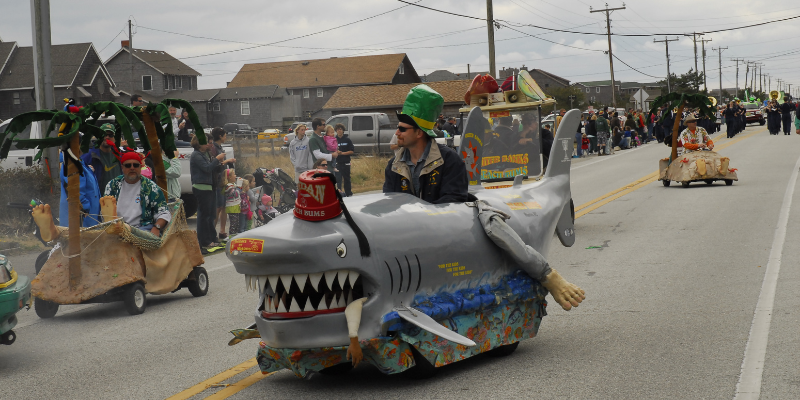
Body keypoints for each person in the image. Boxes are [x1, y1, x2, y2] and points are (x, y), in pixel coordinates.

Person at [383, 84, 468, 204]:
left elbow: (454, 201)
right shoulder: (393, 166)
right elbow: (389, 203)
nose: (397, 133)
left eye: (402, 129)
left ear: (419, 133)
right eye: (398, 128)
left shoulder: (449, 160)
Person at [101, 151, 170, 237]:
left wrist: (157, 227)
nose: (132, 168)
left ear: (141, 167)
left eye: (136, 165)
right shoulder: (112, 185)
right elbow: (105, 212)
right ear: (122, 167)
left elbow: (164, 213)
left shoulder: (151, 187)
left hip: (143, 229)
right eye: (128, 165)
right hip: (117, 228)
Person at [190, 134, 232, 252]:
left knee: (211, 215)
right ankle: (204, 241)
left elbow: (213, 169)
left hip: (210, 187)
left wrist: (220, 164)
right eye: (208, 142)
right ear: (200, 143)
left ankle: (212, 239)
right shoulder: (196, 155)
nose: (210, 144)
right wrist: (217, 159)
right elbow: (207, 168)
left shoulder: (206, 154)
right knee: (204, 216)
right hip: (201, 187)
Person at [59, 151, 101, 228]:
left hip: (89, 218)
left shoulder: (79, 162)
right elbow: (76, 190)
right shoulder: (72, 163)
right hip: (82, 219)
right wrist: (84, 209)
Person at [81, 123, 122, 194]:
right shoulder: (89, 155)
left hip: (118, 199)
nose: (107, 137)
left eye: (111, 135)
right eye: (104, 135)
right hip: (99, 200)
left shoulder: (119, 155)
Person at [335, 123, 355, 197]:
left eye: (340, 129)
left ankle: (348, 193)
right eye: (337, 129)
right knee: (338, 180)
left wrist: (342, 153)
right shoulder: (334, 140)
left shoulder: (347, 140)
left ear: (343, 130)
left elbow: (352, 151)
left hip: (346, 163)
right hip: (337, 163)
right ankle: (339, 194)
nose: (339, 131)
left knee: (347, 179)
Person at [223, 169, 241, 236]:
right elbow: (235, 194)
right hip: (232, 207)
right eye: (234, 174)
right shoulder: (228, 186)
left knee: (237, 223)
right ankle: (231, 236)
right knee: (233, 223)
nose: (235, 176)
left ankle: (235, 235)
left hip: (235, 206)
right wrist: (239, 186)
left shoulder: (233, 185)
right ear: (229, 177)